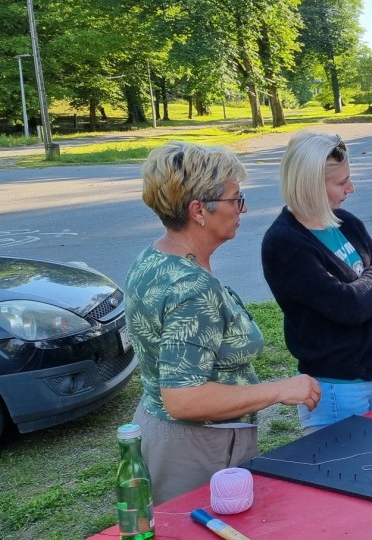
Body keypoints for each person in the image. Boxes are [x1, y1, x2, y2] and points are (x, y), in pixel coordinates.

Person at [125, 141, 320, 504]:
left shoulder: (157, 255)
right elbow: (183, 399)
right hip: (197, 447)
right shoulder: (190, 288)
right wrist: (279, 390)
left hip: (170, 434)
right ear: (199, 210)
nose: (243, 208)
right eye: (236, 199)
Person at [261, 131, 372, 435]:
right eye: (341, 183)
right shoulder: (285, 244)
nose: (351, 188)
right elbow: (350, 306)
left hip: (371, 377)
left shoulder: (345, 222)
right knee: (352, 475)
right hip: (336, 389)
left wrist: (364, 295)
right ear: (310, 186)